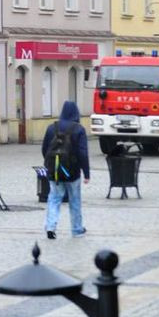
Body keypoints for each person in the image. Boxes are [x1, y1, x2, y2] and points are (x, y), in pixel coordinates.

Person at [42, 100, 90, 239]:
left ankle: (50, 227)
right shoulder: (79, 129)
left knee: (54, 198)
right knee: (74, 200)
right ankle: (77, 229)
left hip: (55, 171)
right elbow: (83, 153)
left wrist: (51, 165)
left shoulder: (52, 128)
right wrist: (86, 173)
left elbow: (45, 149)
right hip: (73, 172)